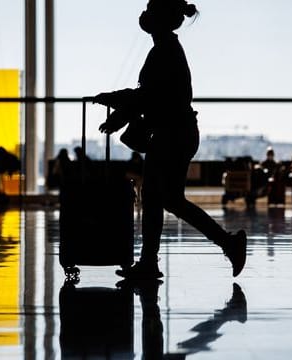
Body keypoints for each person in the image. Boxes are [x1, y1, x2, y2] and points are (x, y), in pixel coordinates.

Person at [93, 0, 247, 279]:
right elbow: (150, 97)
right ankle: (223, 244)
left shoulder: (164, 52)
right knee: (165, 199)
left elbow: (148, 97)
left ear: (159, 19)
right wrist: (119, 109)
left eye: (150, 10)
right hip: (177, 133)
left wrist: (114, 103)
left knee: (159, 198)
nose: (145, 15)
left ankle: (220, 245)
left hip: (171, 135)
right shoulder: (166, 50)